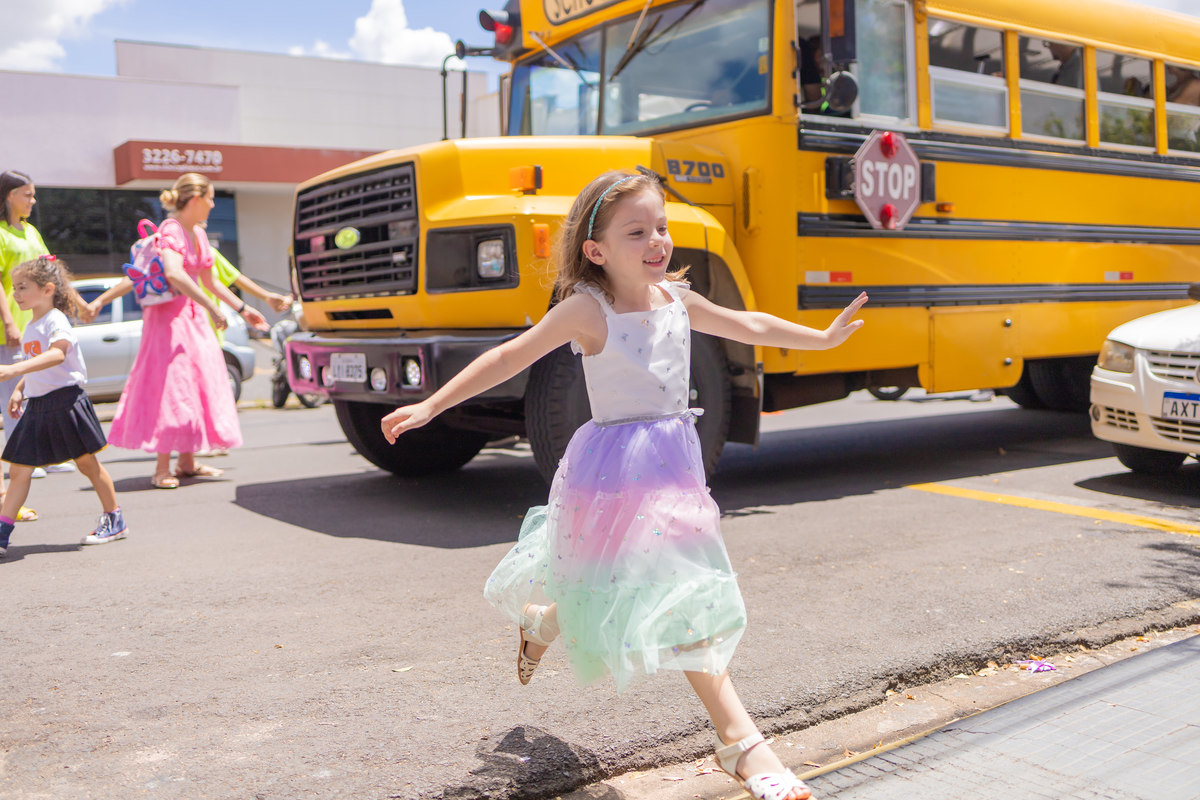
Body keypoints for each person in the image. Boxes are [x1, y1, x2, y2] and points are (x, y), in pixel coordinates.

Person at [380, 171, 868, 800]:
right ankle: (743, 746)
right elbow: (509, 357)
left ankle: (554, 628)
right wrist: (432, 406)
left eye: (661, 227)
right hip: (613, 472)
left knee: (676, 592)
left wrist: (821, 339)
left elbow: (748, 325)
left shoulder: (678, 300)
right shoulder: (589, 309)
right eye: (636, 231)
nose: (656, 241)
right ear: (596, 250)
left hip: (674, 468)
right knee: (644, 591)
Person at [93, 173, 244, 489]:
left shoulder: (199, 234)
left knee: (193, 385)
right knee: (171, 388)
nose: (213, 204)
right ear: (196, 199)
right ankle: (162, 467)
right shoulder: (171, 230)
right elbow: (174, 273)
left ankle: (186, 462)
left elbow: (211, 281)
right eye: (211, 198)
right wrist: (214, 307)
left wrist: (243, 308)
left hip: (193, 319)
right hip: (167, 322)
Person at [0, 256, 126, 558]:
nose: (16, 294)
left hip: (66, 402)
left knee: (87, 465)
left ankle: (114, 519)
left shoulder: (55, 319)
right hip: (39, 405)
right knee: (19, 470)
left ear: (47, 289)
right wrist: (20, 390)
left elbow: (57, 355)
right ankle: (2, 532)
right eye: (14, 288)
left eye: (22, 287)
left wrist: (13, 372)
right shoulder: (31, 324)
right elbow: (37, 365)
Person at [0, 170, 87, 518]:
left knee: (38, 393)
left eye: (34, 195)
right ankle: (22, 461)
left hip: (35, 328)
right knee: (12, 401)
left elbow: (52, 275)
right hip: (11, 328)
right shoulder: (2, 234)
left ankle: (41, 456)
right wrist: (8, 321)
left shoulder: (31, 231)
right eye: (27, 195)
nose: (33, 201)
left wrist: (81, 304)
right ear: (9, 196)